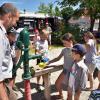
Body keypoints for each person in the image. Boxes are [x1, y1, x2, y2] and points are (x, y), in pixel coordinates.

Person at [0, 3, 19, 100]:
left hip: (5, 81)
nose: (15, 24)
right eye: (16, 20)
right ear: (9, 16)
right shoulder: (1, 36)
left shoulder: (3, 33)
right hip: (3, 83)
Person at [48, 33, 74, 99]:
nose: (63, 44)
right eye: (63, 43)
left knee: (69, 90)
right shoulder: (64, 50)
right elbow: (58, 58)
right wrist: (49, 62)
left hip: (72, 72)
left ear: (70, 41)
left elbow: (79, 60)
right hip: (65, 70)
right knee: (57, 83)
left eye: (65, 43)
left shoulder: (75, 50)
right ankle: (61, 95)